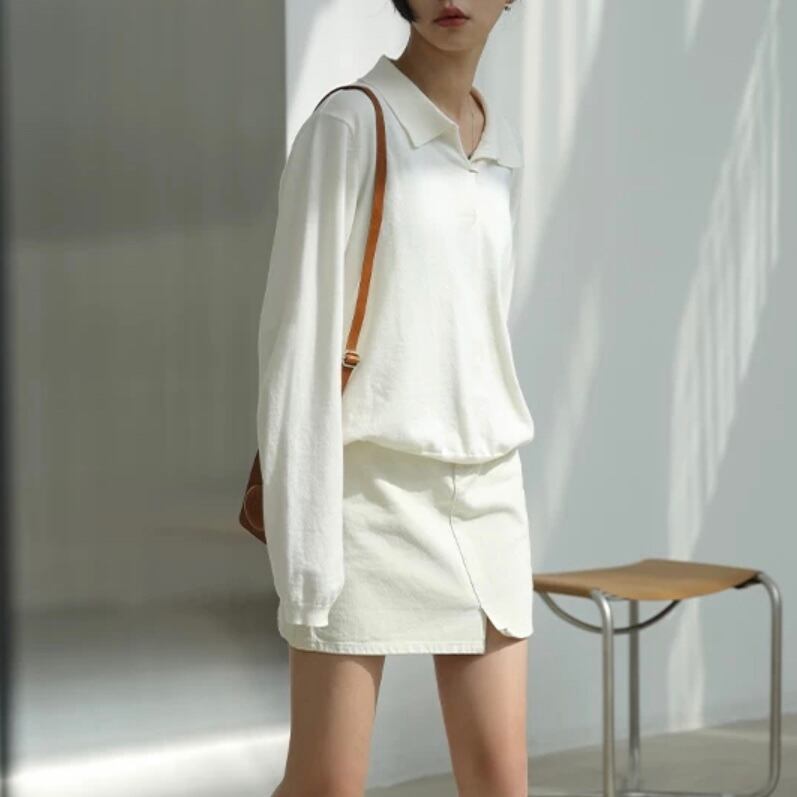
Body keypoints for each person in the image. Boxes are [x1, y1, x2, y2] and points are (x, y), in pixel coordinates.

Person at [260, 2, 532, 795]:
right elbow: (295, 346)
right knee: (326, 784)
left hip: (486, 491)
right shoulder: (348, 126)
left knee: (499, 781)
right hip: (363, 497)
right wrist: (303, 551)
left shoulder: (499, 144)